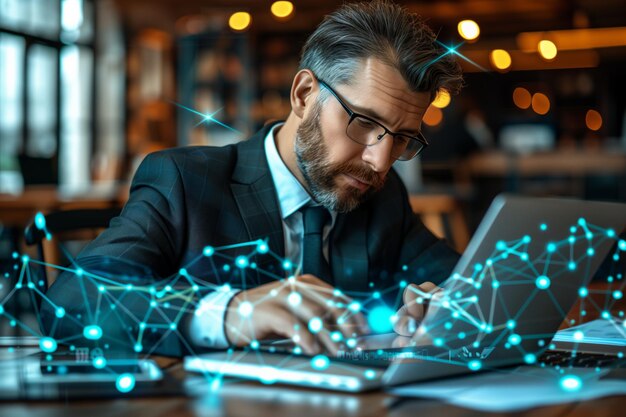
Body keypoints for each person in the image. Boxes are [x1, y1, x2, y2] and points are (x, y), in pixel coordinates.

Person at [41, 0, 463, 357]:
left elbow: (466, 282)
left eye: (402, 138)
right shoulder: (184, 181)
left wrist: (445, 304)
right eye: (364, 122)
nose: (380, 161)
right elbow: (72, 301)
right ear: (303, 95)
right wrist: (228, 314)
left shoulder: (383, 197)